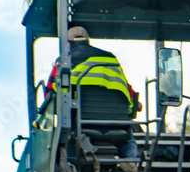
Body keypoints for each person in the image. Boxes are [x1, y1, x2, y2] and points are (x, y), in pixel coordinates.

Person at [46, 26, 141, 161]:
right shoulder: (110, 59)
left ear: (69, 43)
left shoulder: (64, 61)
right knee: (129, 139)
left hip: (81, 125)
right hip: (117, 124)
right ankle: (128, 159)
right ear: (88, 41)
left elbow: (49, 93)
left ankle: (71, 166)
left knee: (67, 135)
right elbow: (126, 90)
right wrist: (133, 107)